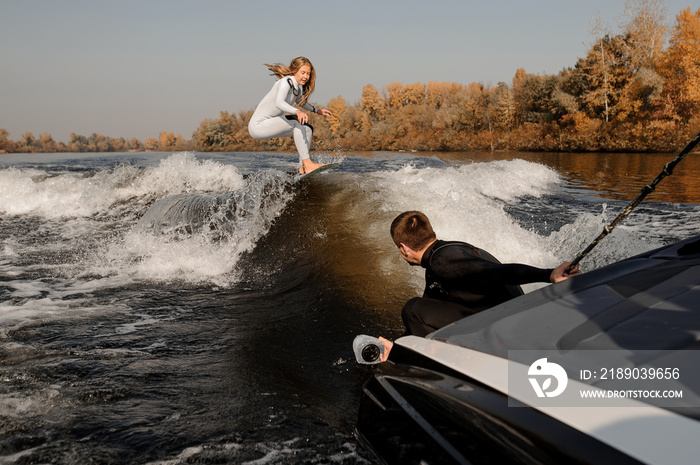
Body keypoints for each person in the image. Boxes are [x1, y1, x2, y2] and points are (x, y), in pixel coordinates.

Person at [376, 211, 579, 359]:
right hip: (510, 321)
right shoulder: (449, 252)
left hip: (507, 333)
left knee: (412, 309)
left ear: (403, 248)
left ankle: (431, 365)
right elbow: (429, 311)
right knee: (421, 308)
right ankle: (416, 355)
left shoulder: (444, 263)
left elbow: (498, 273)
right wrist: (395, 349)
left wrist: (548, 274)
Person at [248, 57, 332, 174]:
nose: (306, 77)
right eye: (303, 73)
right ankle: (308, 164)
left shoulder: (298, 87)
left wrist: (317, 110)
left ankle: (303, 167)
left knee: (307, 129)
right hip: (258, 126)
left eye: (308, 74)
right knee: (296, 122)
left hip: (269, 124)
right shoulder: (286, 82)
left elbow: (300, 103)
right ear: (294, 71)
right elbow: (279, 102)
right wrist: (297, 112)